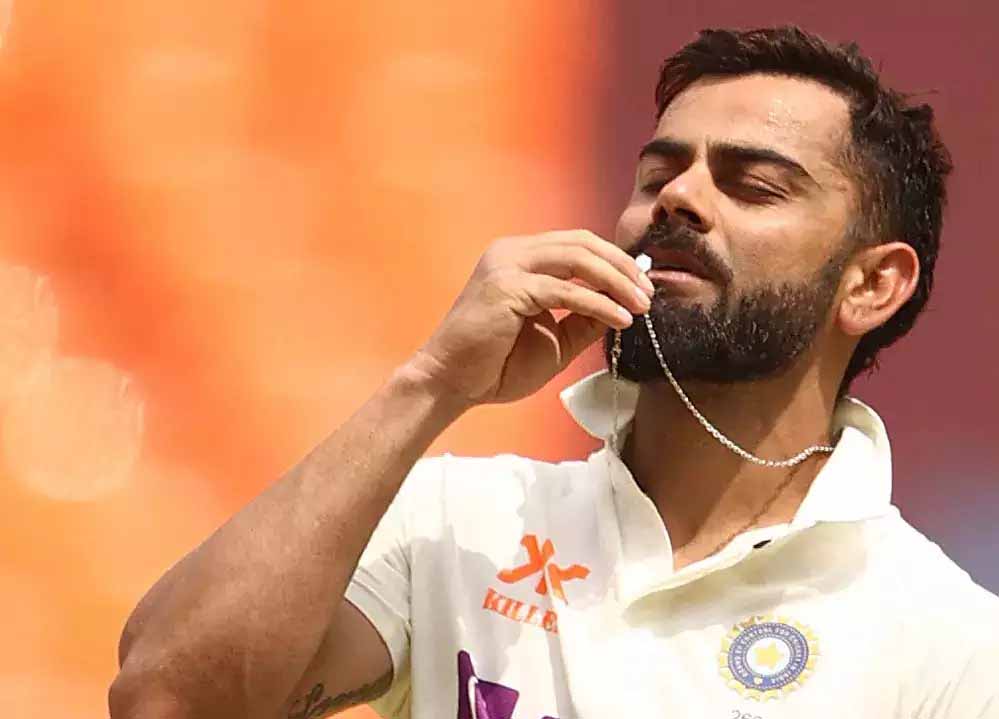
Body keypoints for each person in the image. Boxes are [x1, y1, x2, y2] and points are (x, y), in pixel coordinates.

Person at [109, 25, 999, 719]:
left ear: (871, 284)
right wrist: (431, 383)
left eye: (752, 185)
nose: (678, 198)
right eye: (657, 173)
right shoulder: (462, 522)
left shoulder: (948, 641)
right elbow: (166, 698)